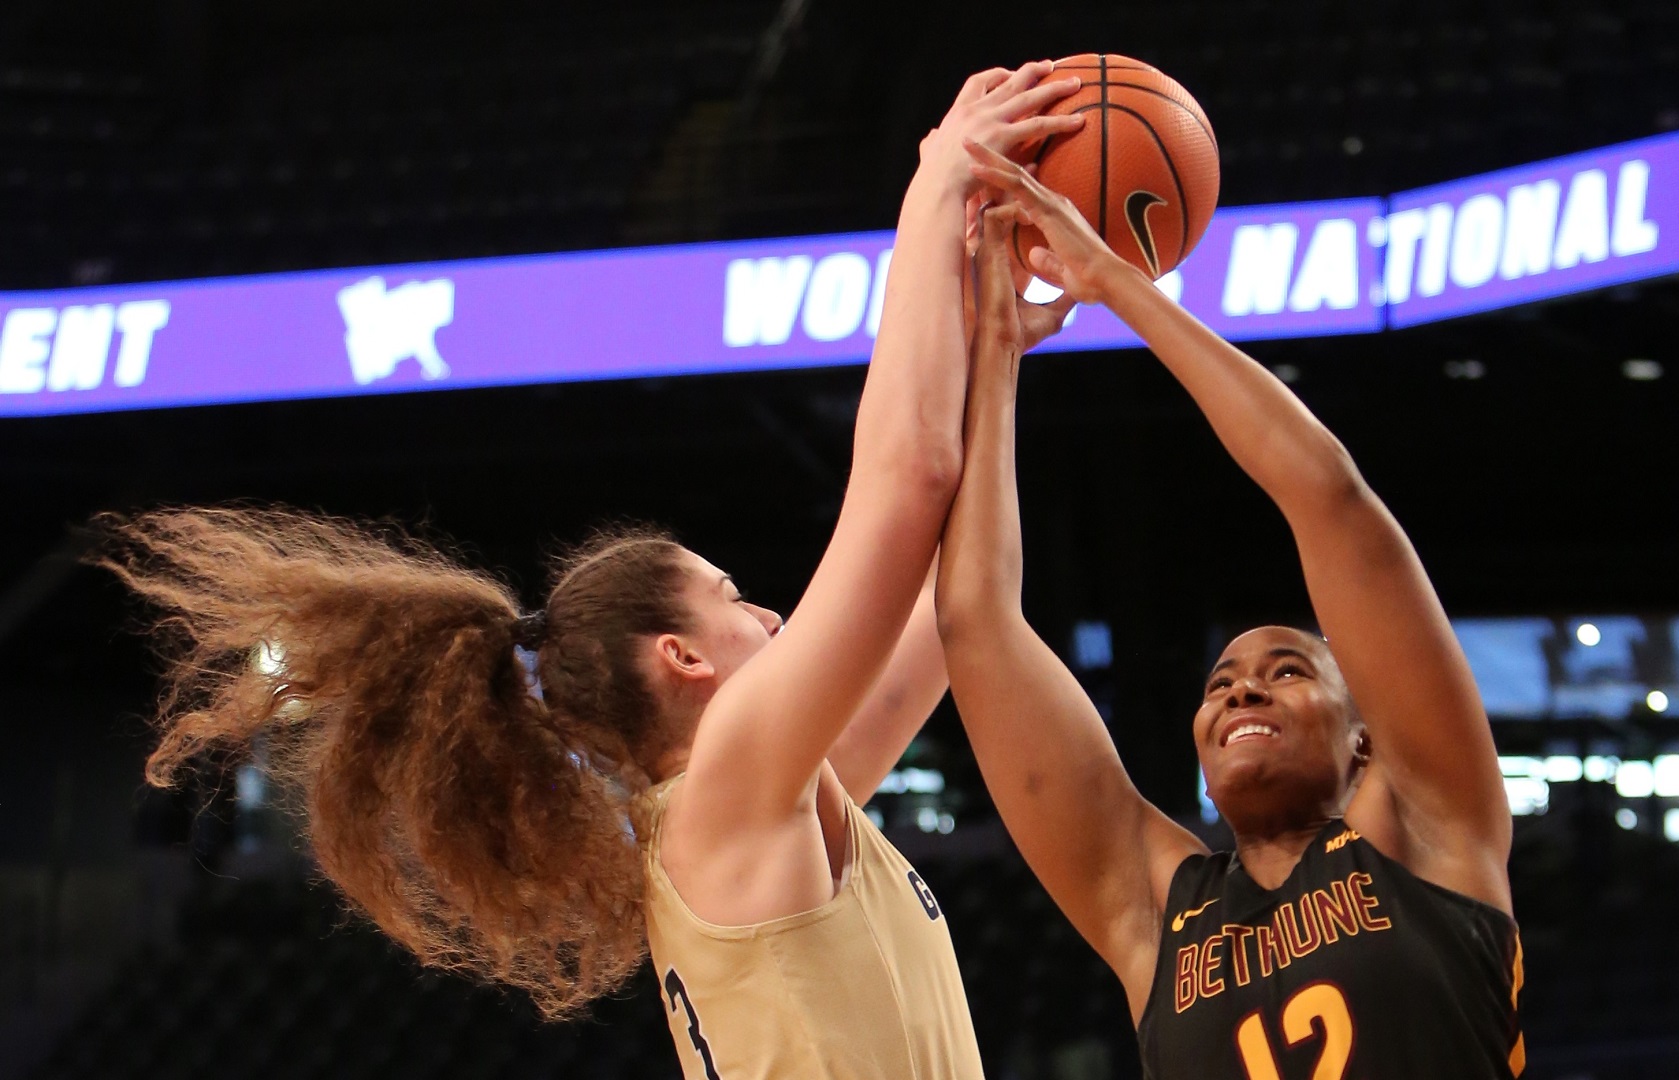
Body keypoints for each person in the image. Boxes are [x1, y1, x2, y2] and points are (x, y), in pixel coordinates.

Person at [92, 63, 1086, 1080]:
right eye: (733, 596)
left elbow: (959, 606)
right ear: (683, 656)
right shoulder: (728, 790)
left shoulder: (760, 802)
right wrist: (932, 193)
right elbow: (905, 483)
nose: (774, 612)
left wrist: (996, 349)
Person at [937, 150, 1525, 1078]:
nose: (1244, 685)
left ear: (1367, 737)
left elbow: (1328, 497)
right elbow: (975, 624)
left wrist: (1118, 287)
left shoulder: (1429, 824)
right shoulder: (1158, 910)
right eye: (1221, 684)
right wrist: (997, 355)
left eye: (1288, 669)